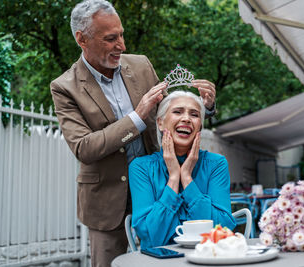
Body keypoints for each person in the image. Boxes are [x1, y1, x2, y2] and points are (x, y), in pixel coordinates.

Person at [50, 0, 216, 265]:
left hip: (157, 189)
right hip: (106, 202)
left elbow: (169, 115)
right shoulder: (64, 87)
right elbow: (84, 148)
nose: (122, 46)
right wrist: (137, 117)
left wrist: (205, 106)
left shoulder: (140, 65)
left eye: (122, 34)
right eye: (111, 38)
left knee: (165, 260)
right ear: (82, 39)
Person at [129, 91, 235, 249]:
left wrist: (186, 177)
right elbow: (149, 235)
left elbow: (223, 229)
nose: (186, 118)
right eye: (177, 111)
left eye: (194, 114)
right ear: (160, 123)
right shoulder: (141, 167)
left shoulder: (216, 164)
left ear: (199, 125)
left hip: (208, 257)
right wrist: (173, 177)